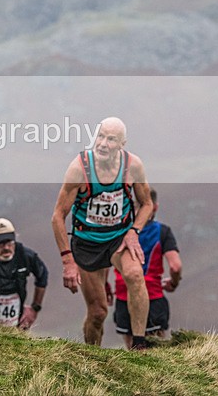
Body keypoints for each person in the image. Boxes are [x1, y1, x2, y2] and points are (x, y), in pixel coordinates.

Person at [51, 117, 154, 349]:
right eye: (100, 136)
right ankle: (92, 355)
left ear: (122, 145)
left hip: (119, 237)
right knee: (98, 312)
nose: (103, 144)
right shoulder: (79, 169)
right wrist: (67, 261)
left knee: (135, 275)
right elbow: (57, 216)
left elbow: (147, 204)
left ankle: (139, 345)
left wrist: (134, 231)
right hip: (87, 242)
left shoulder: (132, 166)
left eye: (111, 139)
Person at [110, 188, 182, 348]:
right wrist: (174, 282)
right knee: (156, 350)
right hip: (153, 297)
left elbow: (106, 259)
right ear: (154, 206)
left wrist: (104, 286)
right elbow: (175, 266)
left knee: (133, 351)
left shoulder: (118, 232)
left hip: (123, 297)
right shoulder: (162, 232)